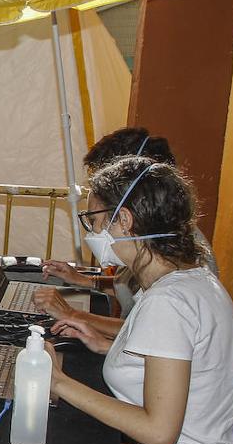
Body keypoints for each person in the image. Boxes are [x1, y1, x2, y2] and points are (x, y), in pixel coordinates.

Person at [46, 156, 233, 444]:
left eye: (94, 220)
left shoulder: (168, 301)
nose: (91, 233)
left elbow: (159, 434)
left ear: (124, 220)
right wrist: (109, 347)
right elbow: (188, 367)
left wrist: (58, 382)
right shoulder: (190, 280)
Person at [35, 126, 218, 332]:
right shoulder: (153, 246)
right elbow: (129, 288)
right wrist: (85, 280)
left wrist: (72, 315)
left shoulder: (175, 278)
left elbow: (146, 330)